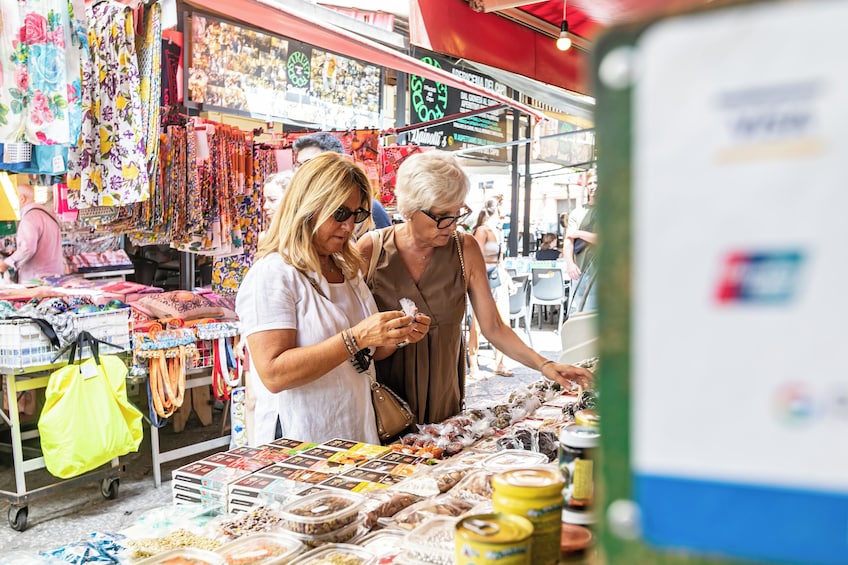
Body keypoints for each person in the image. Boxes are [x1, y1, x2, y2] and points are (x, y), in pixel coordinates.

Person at [358, 151, 593, 425]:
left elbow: (493, 326)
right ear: (410, 209)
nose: (452, 224)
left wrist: (545, 365)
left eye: (458, 213)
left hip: (443, 396)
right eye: (442, 216)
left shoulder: (463, 248)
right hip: (384, 398)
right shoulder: (370, 250)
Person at [236, 152, 431, 445]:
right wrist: (356, 336)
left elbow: (368, 354)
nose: (349, 226)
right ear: (308, 207)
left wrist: (396, 334)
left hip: (355, 432)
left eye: (357, 216)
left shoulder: (345, 269)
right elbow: (274, 373)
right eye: (340, 214)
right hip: (301, 440)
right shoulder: (274, 274)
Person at [293, 132, 392, 229]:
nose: (300, 171)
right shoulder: (297, 206)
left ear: (335, 165)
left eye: (309, 164)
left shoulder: (367, 208)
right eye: (299, 165)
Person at [468, 200, 514, 378]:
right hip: (485, 277)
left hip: (498, 276)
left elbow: (500, 259)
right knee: (477, 324)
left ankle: (499, 363)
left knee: (504, 321)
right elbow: (476, 256)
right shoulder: (482, 230)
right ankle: (474, 366)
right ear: (497, 209)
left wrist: (507, 278)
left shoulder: (499, 230)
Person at [0, 181, 64, 282]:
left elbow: (27, 248)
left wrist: (7, 263)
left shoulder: (29, 218)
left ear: (22, 198)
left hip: (36, 280)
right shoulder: (48, 216)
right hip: (54, 277)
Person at [563, 174, 599, 313]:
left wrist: (579, 233)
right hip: (579, 272)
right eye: (590, 183)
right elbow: (568, 240)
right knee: (579, 314)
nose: (593, 186)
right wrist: (570, 264)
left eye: (597, 182)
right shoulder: (577, 213)